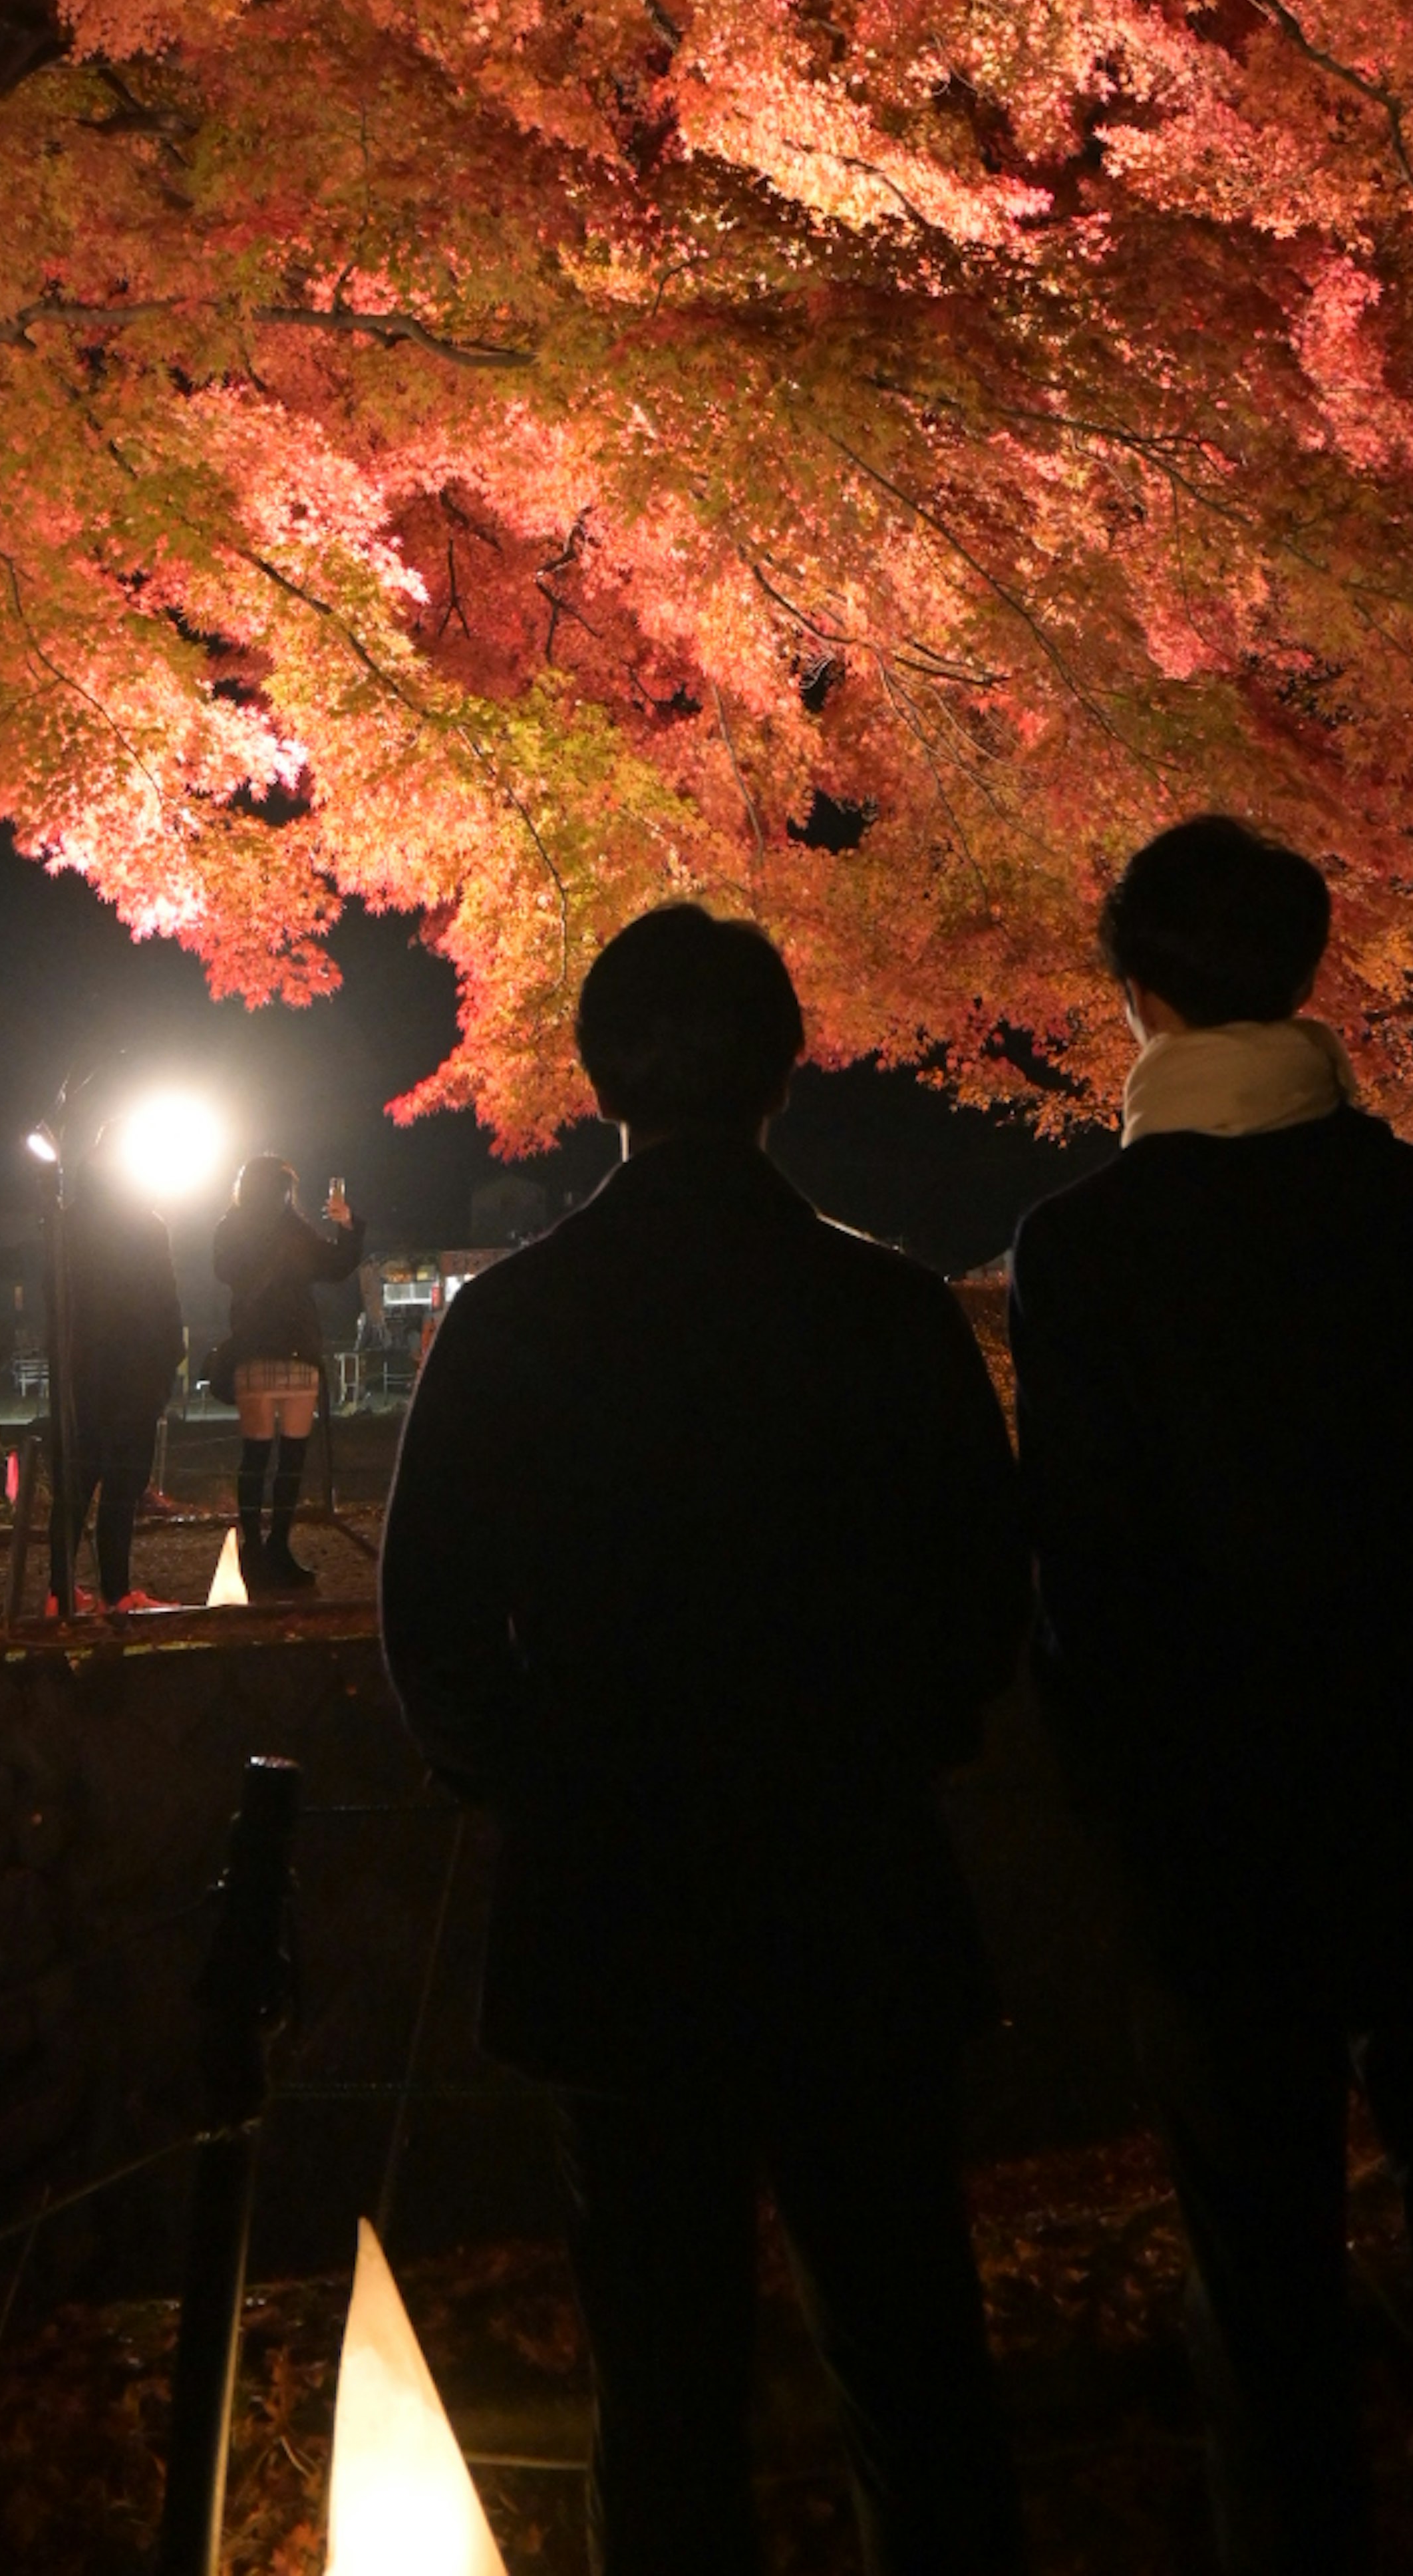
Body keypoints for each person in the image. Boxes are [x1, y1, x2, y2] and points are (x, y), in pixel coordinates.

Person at [379, 901, 1030, 2576]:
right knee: (912, 2360)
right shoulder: (885, 1310)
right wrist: (902, 1738)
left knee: (662, 2394)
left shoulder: (513, 1319)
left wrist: (537, 1783)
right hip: (855, 1886)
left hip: (615, 1909)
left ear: (597, 1078)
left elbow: (434, 1626)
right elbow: (985, 1590)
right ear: (782, 1074)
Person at [1011, 815, 1413, 2576]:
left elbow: (1089, 1570)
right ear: (1306, 969)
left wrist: (1128, 1770)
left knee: (1258, 2285)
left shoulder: (1088, 1247)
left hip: (1214, 1837)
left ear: (1136, 993)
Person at [209, 1157, 365, 1589]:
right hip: (295, 1350)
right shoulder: (290, 1230)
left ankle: (258, 1548)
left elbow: (223, 1271)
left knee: (258, 1457)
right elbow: (336, 1266)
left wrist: (346, 1223)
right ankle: (274, 1546)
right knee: (288, 1458)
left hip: (259, 1350)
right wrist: (347, 1225)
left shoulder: (234, 1226)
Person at [60, 1128, 186, 1616]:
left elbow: (59, 1303)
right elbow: (165, 1306)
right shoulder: (146, 1226)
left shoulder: (67, 1227)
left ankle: (60, 1592)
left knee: (77, 1485)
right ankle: (116, 1593)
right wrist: (164, 1366)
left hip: (85, 1373)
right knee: (122, 1486)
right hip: (136, 1372)